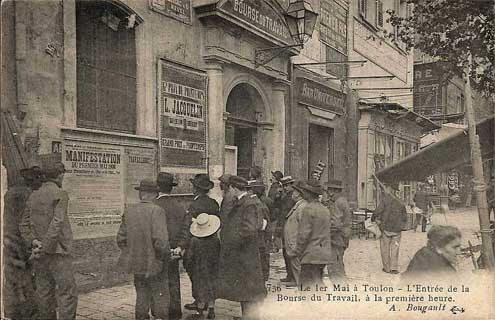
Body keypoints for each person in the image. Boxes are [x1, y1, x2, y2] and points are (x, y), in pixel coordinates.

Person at [20, 161, 78, 320]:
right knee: (67, 292)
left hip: (39, 253)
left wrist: (34, 242)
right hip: (58, 253)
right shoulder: (60, 193)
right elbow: (57, 222)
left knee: (44, 292)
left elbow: (23, 224)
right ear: (60, 175)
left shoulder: (33, 195)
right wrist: (45, 246)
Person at [117, 179, 170, 320]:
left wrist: (132, 252)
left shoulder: (129, 210)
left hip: (136, 262)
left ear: (141, 194)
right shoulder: (157, 211)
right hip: (155, 262)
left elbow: (121, 239)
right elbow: (161, 241)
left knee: (141, 294)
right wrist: (164, 257)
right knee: (160, 295)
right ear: (154, 194)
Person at [217, 176, 266, 320]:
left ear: (233, 188)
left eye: (229, 188)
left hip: (246, 256)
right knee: (246, 291)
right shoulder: (243, 202)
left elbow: (249, 229)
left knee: (249, 292)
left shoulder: (248, 204)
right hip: (244, 256)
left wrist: (232, 240)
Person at [3, 166, 43, 319]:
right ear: (33, 180)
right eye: (38, 180)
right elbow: (25, 224)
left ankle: (12, 313)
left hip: (8, 241)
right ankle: (29, 314)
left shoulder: (10, 192)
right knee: (27, 281)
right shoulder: (27, 195)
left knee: (12, 280)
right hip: (20, 243)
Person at [154, 172, 189, 320]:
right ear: (171, 188)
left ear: (157, 187)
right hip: (175, 251)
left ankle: (159, 313)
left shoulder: (153, 206)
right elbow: (186, 229)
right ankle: (175, 313)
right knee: (173, 281)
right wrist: (180, 246)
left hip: (157, 252)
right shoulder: (180, 207)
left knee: (158, 283)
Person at [184, 174, 219, 312]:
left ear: (196, 189)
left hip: (197, 242)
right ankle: (211, 305)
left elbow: (188, 226)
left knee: (197, 272)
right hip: (213, 242)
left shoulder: (194, 204)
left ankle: (199, 302)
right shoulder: (214, 203)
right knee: (211, 273)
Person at [292, 179, 332, 291]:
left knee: (306, 288)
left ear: (309, 193)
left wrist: (297, 251)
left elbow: (303, 235)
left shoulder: (308, 209)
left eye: (304, 191)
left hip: (310, 255)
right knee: (318, 282)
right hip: (323, 254)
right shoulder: (325, 209)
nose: (302, 193)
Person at [188, 213, 221, 319]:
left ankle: (200, 311)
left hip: (198, 269)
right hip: (213, 267)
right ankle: (211, 310)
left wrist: (188, 266)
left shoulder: (194, 241)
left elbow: (189, 256)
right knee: (211, 288)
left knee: (200, 289)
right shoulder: (215, 240)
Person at [372, 184, 408, 274]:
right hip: (397, 229)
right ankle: (394, 268)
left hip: (386, 228)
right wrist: (401, 224)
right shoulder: (400, 201)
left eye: (387, 188)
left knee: (385, 248)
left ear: (390, 189)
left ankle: (386, 268)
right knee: (395, 248)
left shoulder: (385, 200)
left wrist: (373, 218)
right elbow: (405, 216)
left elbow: (377, 211)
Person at [326, 183, 352, 284]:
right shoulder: (341, 201)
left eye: (329, 190)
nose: (328, 193)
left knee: (334, 267)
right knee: (338, 265)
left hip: (337, 238)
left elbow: (335, 224)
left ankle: (341, 290)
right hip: (342, 237)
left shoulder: (338, 202)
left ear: (334, 191)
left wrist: (326, 234)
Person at [283, 182, 307, 286]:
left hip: (296, 244)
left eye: (295, 191)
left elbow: (304, 226)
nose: (293, 193)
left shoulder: (302, 207)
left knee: (299, 272)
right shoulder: (298, 205)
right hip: (293, 243)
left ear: (299, 194)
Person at [247, 179, 272, 282]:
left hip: (261, 238)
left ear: (252, 191)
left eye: (248, 190)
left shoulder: (258, 205)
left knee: (262, 260)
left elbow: (264, 224)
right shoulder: (260, 203)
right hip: (262, 238)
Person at [278, 176, 297, 284]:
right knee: (286, 252)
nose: (285, 188)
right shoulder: (285, 196)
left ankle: (294, 277)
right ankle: (289, 275)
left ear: (291, 185)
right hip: (285, 227)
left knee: (290, 252)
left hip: (290, 227)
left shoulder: (292, 197)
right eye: (284, 185)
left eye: (287, 185)